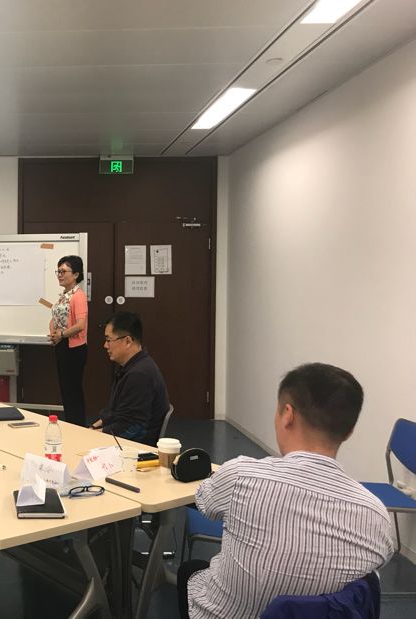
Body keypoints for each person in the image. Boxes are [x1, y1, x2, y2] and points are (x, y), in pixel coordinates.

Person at [178, 363, 394, 619]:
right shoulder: (377, 515)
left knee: (191, 570)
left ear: (287, 415)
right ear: (349, 432)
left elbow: (205, 502)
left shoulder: (240, 475)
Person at [90, 311, 168, 444]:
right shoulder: (133, 366)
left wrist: (95, 436)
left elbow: (131, 427)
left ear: (127, 341)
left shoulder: (139, 375)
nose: (105, 345)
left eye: (109, 340)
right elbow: (116, 413)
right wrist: (93, 427)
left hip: (135, 446)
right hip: (125, 437)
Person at [48, 255, 88, 425]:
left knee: (73, 390)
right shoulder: (64, 296)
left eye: (63, 271)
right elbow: (55, 318)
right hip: (62, 345)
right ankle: (71, 424)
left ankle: (77, 425)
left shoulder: (78, 296)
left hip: (74, 348)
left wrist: (61, 335)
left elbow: (80, 325)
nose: (60, 275)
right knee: (65, 390)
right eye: (58, 271)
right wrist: (53, 333)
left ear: (76, 274)